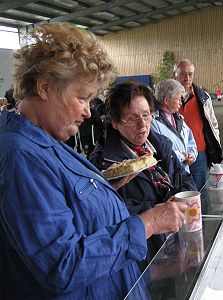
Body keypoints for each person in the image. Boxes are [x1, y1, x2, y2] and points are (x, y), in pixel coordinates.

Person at [0, 23, 187, 299]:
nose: (88, 112)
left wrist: (105, 186)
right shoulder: (21, 158)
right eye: (82, 98)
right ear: (45, 87)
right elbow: (62, 265)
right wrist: (148, 224)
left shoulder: (48, 141)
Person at [89, 80, 197, 266]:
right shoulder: (104, 165)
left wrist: (179, 199)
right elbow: (112, 214)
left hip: (177, 241)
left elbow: (185, 177)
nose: (142, 125)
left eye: (146, 115)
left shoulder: (160, 145)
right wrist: (158, 211)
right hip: (145, 260)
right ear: (114, 122)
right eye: (132, 119)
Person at [174, 59, 223, 190]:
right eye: (182, 74)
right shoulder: (166, 99)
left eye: (190, 74)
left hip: (199, 154)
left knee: (200, 193)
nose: (187, 78)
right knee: (178, 193)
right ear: (175, 75)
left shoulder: (203, 98)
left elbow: (213, 124)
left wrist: (215, 146)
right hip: (175, 154)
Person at [151, 78, 198, 174]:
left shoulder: (179, 118)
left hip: (184, 174)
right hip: (169, 175)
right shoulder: (153, 122)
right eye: (178, 99)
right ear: (166, 100)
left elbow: (190, 140)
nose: (181, 103)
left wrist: (191, 154)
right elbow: (158, 153)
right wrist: (182, 156)